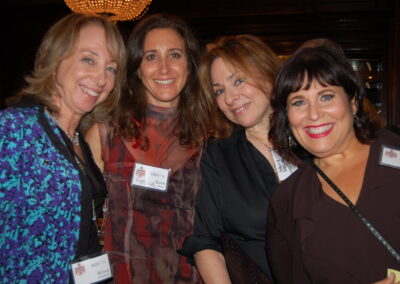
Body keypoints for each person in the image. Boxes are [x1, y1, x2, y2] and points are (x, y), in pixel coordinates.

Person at [0, 13, 126, 282]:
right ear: (55, 60)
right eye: (89, 59)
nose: (101, 78)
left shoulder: (79, 140)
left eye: (111, 68)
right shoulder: (14, 129)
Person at [85, 13, 209, 283]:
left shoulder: (209, 140)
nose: (164, 68)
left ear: (189, 64)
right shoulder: (106, 134)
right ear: (137, 68)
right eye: (151, 56)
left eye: (174, 55)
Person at [267, 45, 400, 283]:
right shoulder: (287, 201)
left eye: (326, 96)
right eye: (298, 102)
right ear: (287, 117)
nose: (314, 114)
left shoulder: (394, 152)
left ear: (353, 102)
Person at [178, 35, 297, 283]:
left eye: (238, 81)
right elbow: (205, 240)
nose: (229, 98)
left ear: (268, 74)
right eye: (219, 91)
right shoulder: (217, 157)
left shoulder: (310, 141)